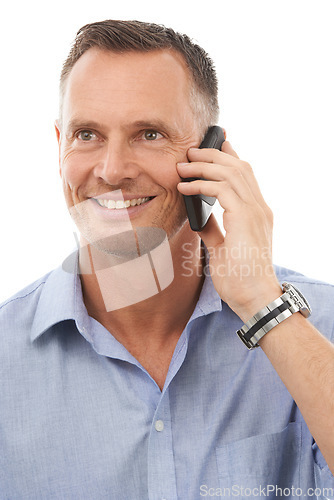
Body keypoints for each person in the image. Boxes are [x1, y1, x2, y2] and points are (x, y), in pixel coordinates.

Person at [1, 19, 333, 500]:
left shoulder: (316, 330)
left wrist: (264, 304)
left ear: (211, 154)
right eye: (88, 133)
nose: (112, 170)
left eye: (149, 134)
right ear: (59, 147)